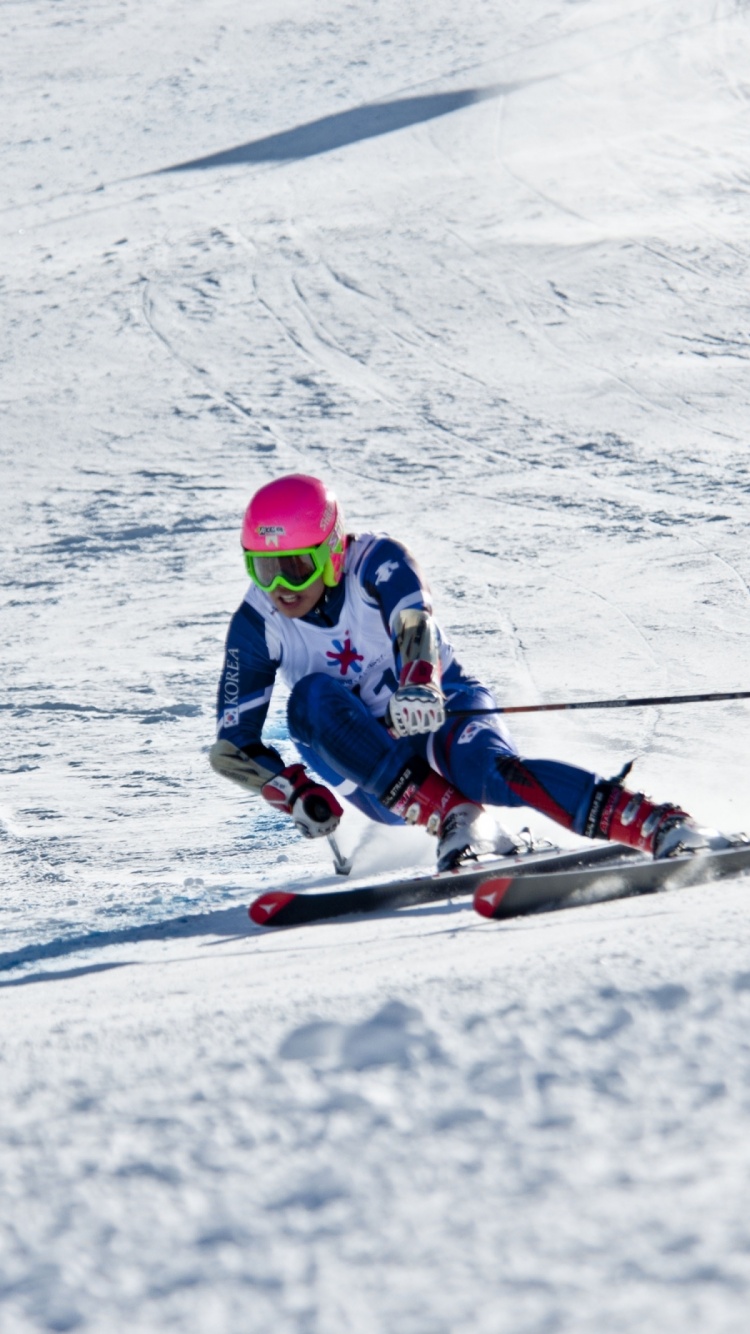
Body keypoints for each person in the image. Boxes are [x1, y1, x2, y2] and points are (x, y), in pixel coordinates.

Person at [210, 473, 731, 869]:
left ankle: (660, 825)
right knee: (310, 700)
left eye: (295, 566)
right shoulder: (258, 622)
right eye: (263, 567)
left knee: (490, 771)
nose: (281, 587)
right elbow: (234, 746)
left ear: (330, 550)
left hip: (438, 711)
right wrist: (293, 790)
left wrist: (417, 680)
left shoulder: (377, 560)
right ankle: (457, 819)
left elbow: (413, 618)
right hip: (368, 767)